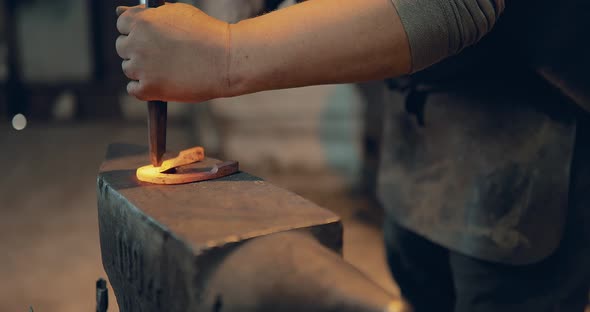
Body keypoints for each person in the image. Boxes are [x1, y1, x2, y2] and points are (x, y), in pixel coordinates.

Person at [115, 1, 590, 311]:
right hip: (428, 113)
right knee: (420, 280)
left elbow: (455, 6)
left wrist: (225, 53)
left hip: (540, 119)